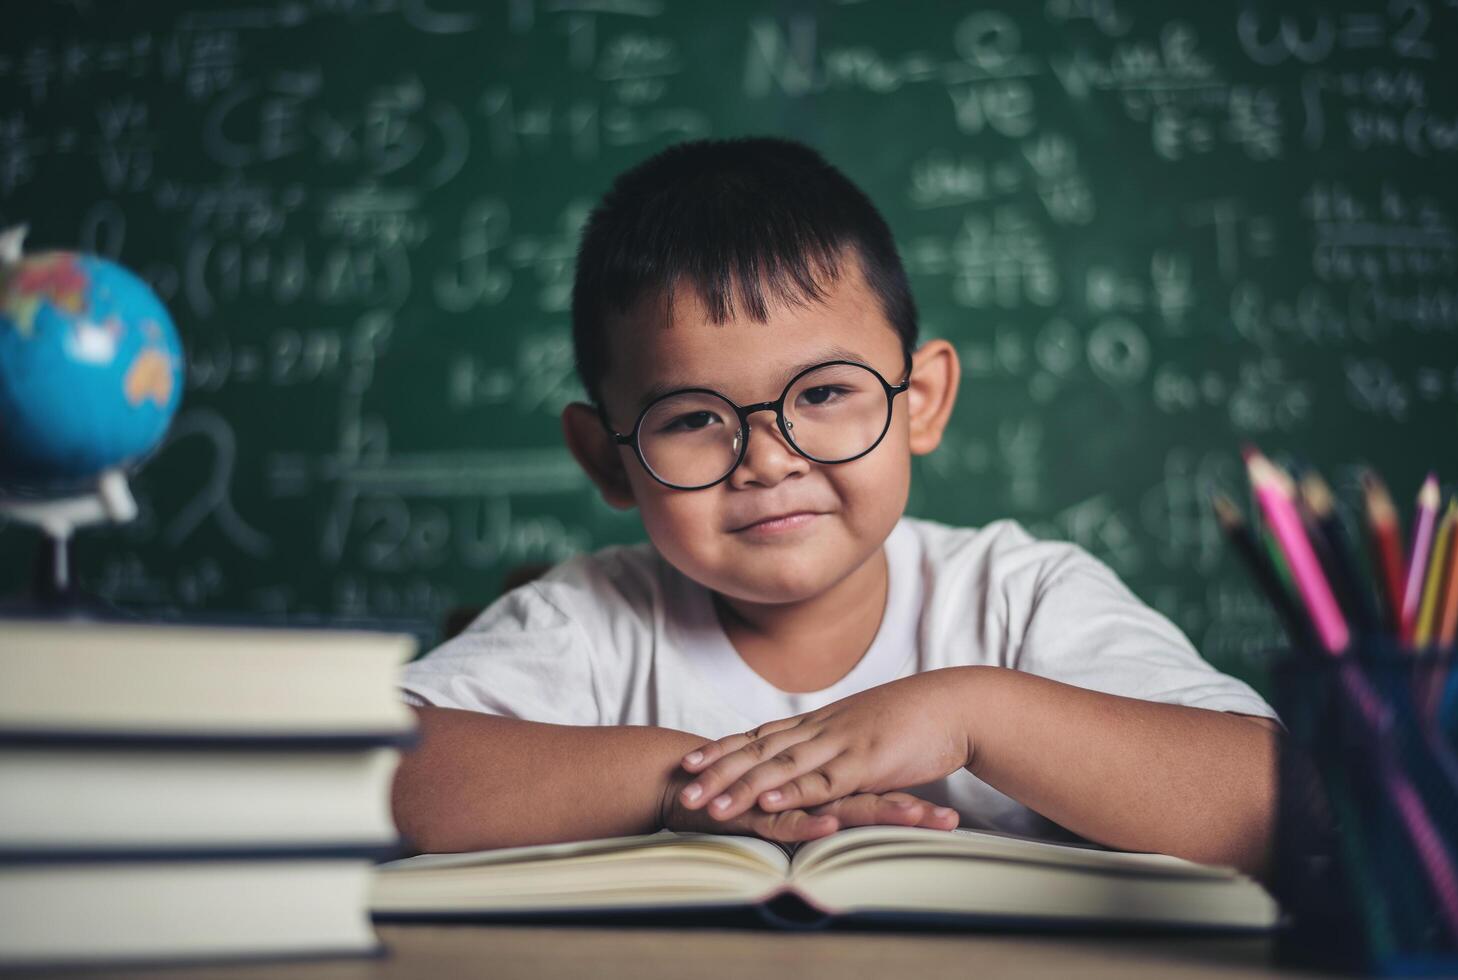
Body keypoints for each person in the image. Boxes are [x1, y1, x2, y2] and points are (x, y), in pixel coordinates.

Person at [392, 137, 1282, 877]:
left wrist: (973, 715)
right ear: (606, 458)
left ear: (920, 399)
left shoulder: (1020, 595)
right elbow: (374, 771)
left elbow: (1275, 804)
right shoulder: (585, 619)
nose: (769, 459)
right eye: (695, 418)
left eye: (821, 394)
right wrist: (684, 784)